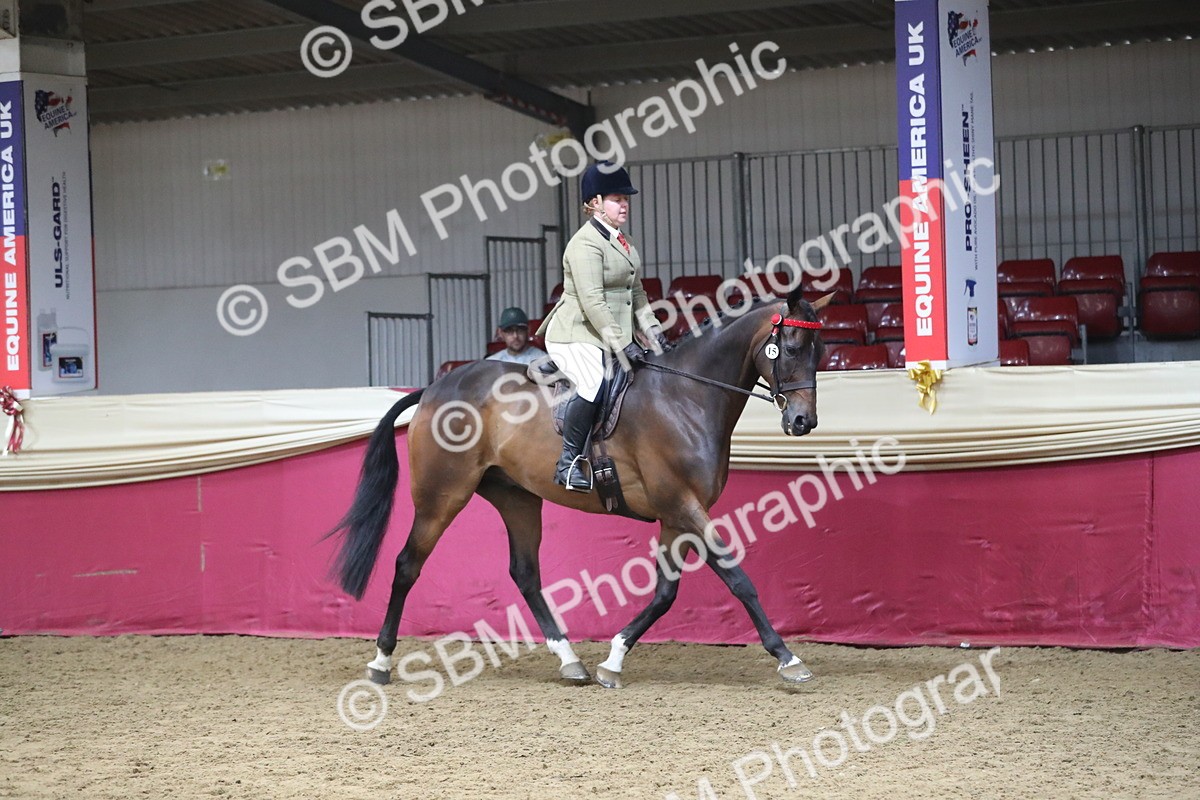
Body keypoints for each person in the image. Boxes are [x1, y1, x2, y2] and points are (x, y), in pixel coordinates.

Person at [537, 161, 669, 492]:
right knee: (592, 381)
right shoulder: (584, 244)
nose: (624, 205)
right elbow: (593, 302)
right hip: (576, 334)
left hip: (609, 335)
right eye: (616, 199)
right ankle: (568, 464)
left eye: (626, 199)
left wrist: (654, 331)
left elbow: (637, 294)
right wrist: (623, 343)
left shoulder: (625, 242)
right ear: (594, 203)